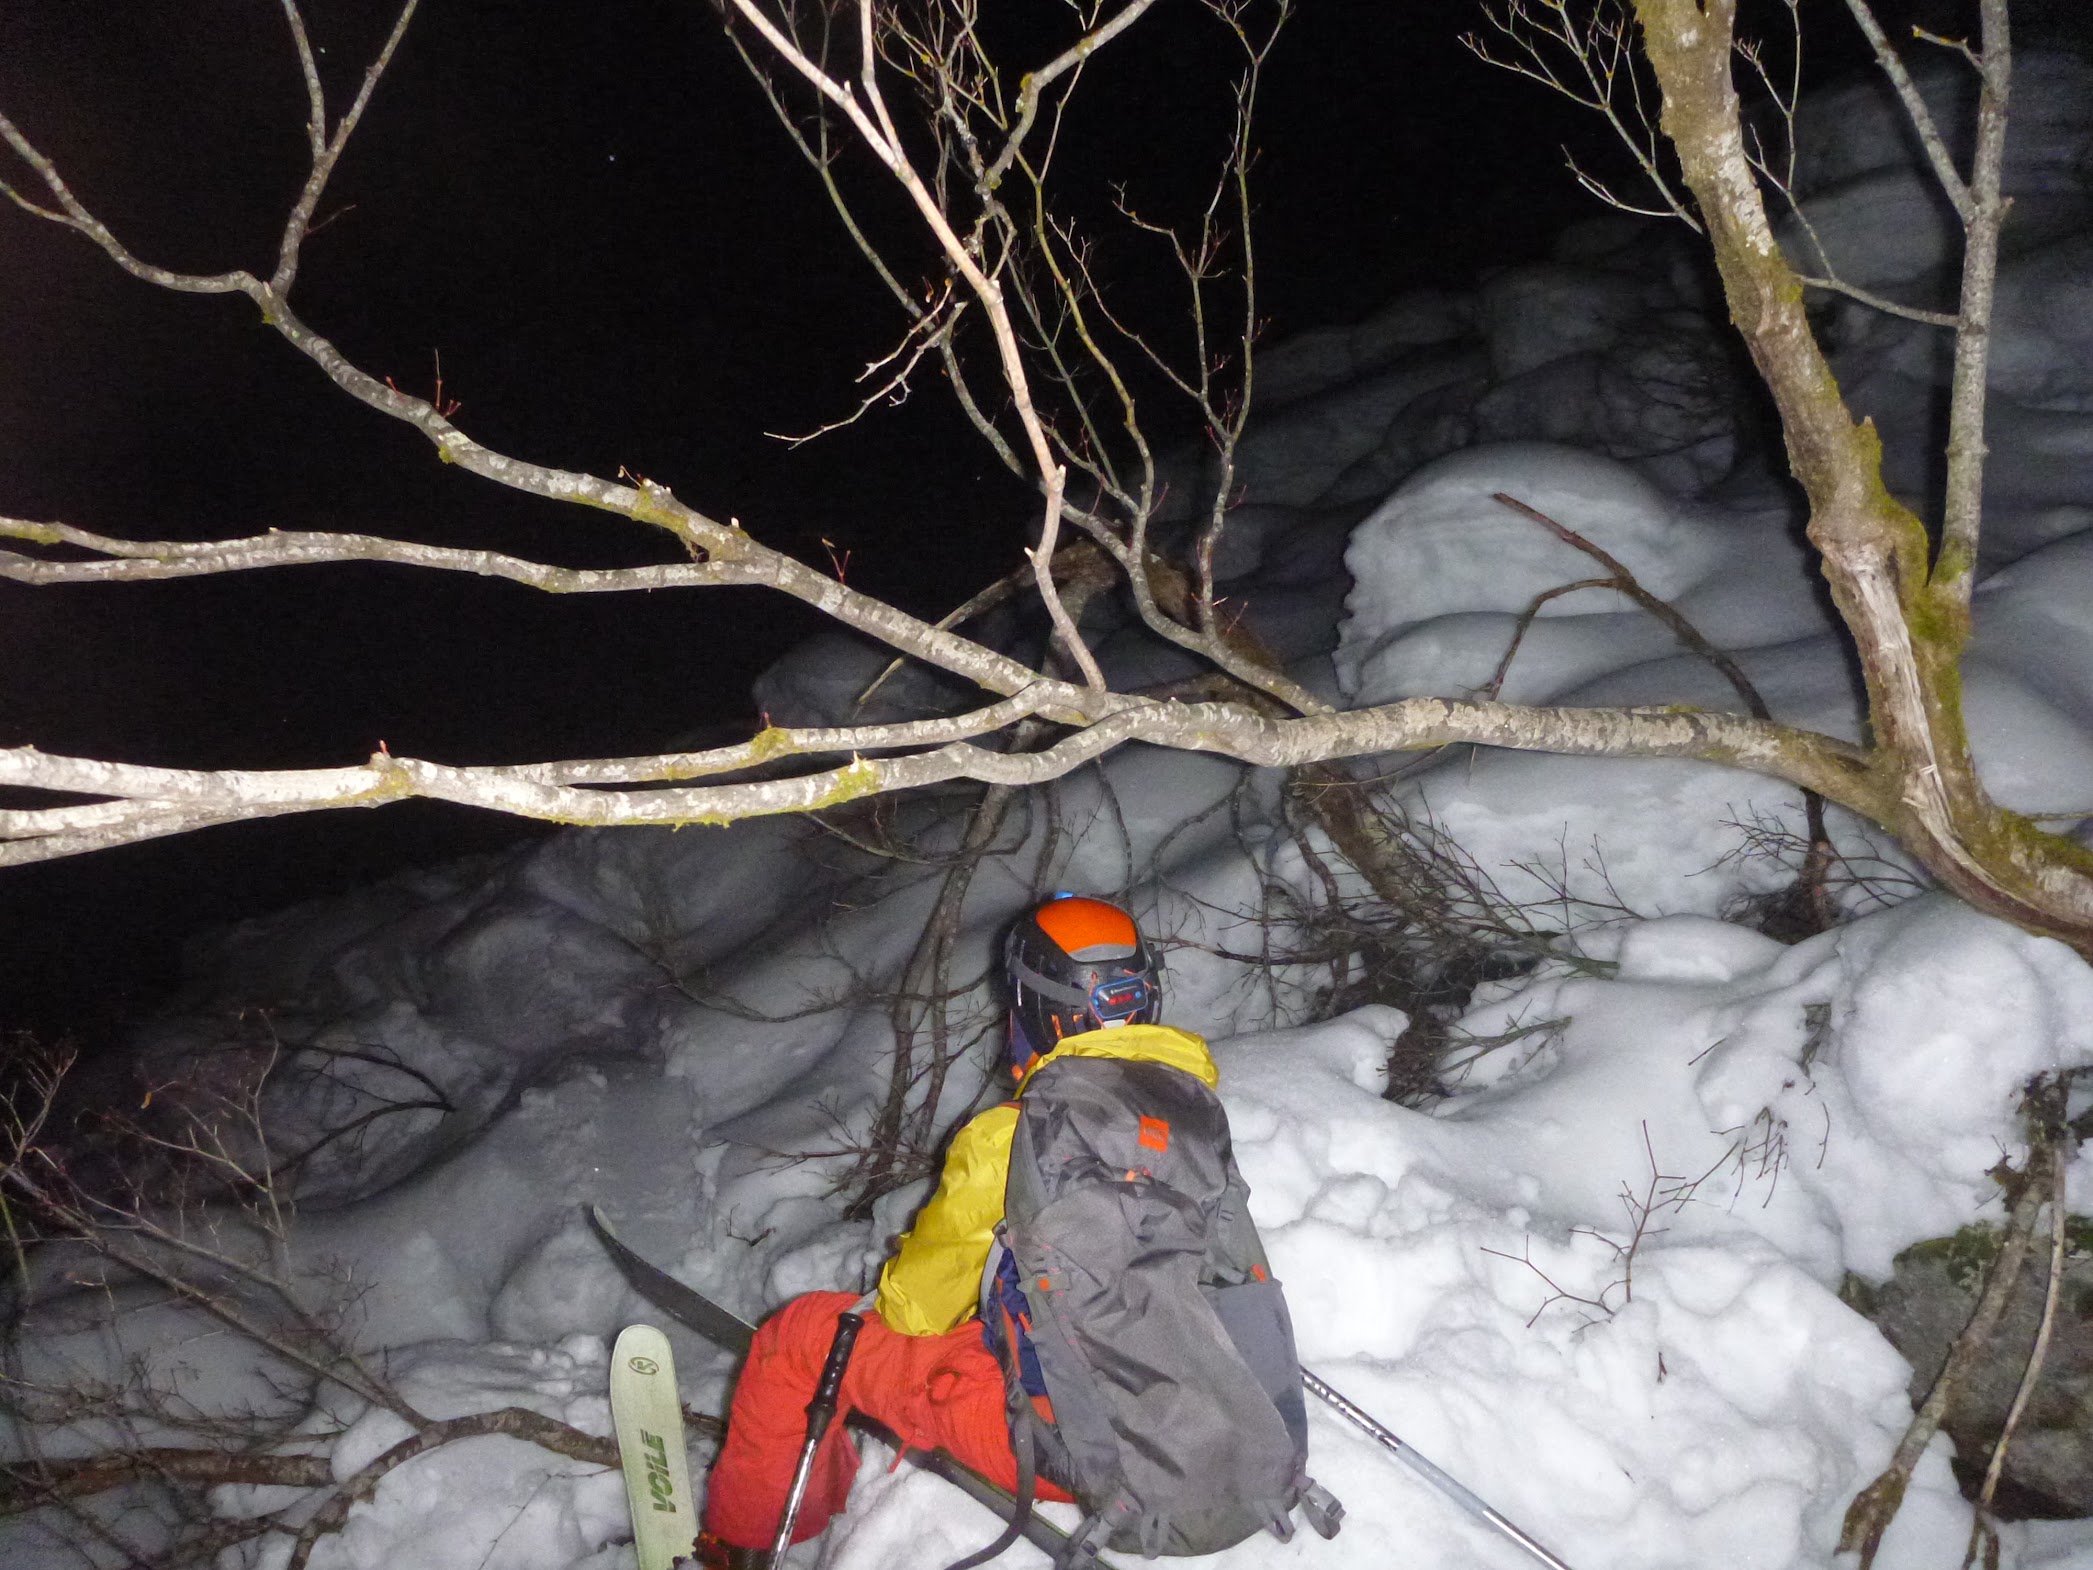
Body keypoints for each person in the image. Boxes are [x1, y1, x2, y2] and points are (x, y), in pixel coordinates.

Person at [695, 894, 1210, 1569]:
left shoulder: (1016, 1137)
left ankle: (744, 1546)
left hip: (1068, 1442)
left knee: (800, 1337)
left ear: (1034, 1010)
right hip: (1189, 1416)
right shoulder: (1193, 1111)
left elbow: (915, 1312)